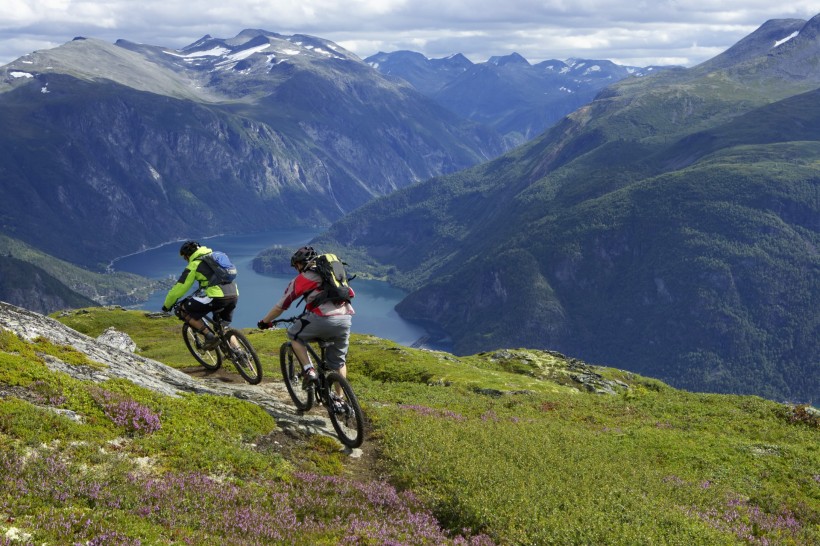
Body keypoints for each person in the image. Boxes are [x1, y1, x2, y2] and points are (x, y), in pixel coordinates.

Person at [257, 246, 355, 390]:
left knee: (294, 336)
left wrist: (264, 322)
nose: (296, 269)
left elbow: (281, 306)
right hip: (345, 319)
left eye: (296, 266)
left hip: (322, 319)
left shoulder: (304, 278)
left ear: (300, 264)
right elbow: (350, 293)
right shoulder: (333, 273)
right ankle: (340, 400)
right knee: (339, 363)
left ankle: (309, 370)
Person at [162, 240, 239, 350]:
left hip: (217, 297)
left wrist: (167, 305)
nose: (185, 260)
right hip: (233, 294)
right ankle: (241, 353)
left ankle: (209, 336)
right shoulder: (215, 257)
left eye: (185, 257)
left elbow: (179, 288)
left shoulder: (194, 265)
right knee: (223, 327)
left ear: (188, 255)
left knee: (182, 310)